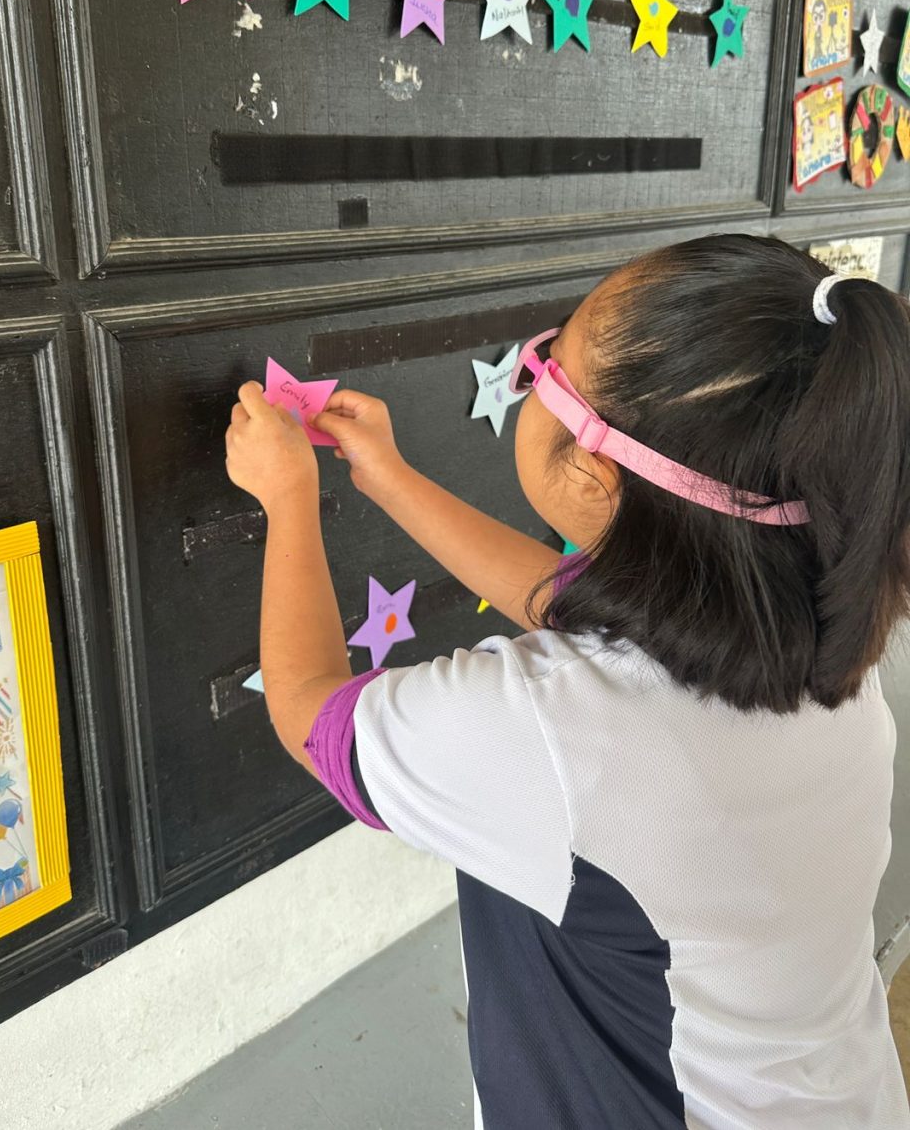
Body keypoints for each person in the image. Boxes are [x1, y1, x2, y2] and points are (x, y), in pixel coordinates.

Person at [224, 233, 910, 1129]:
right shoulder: (814, 643)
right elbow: (579, 611)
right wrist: (389, 479)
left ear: (594, 468)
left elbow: (309, 712)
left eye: (544, 365)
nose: (530, 373)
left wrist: (288, 498)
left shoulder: (550, 735)